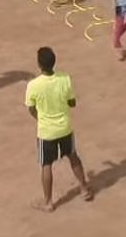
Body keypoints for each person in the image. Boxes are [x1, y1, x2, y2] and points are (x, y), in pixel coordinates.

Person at [25, 47, 93, 212]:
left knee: (46, 164)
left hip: (46, 131)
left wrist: (41, 118)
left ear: (39, 64)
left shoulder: (33, 85)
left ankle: (48, 202)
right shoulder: (65, 79)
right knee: (73, 157)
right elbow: (72, 103)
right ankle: (84, 189)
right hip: (64, 128)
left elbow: (31, 108)